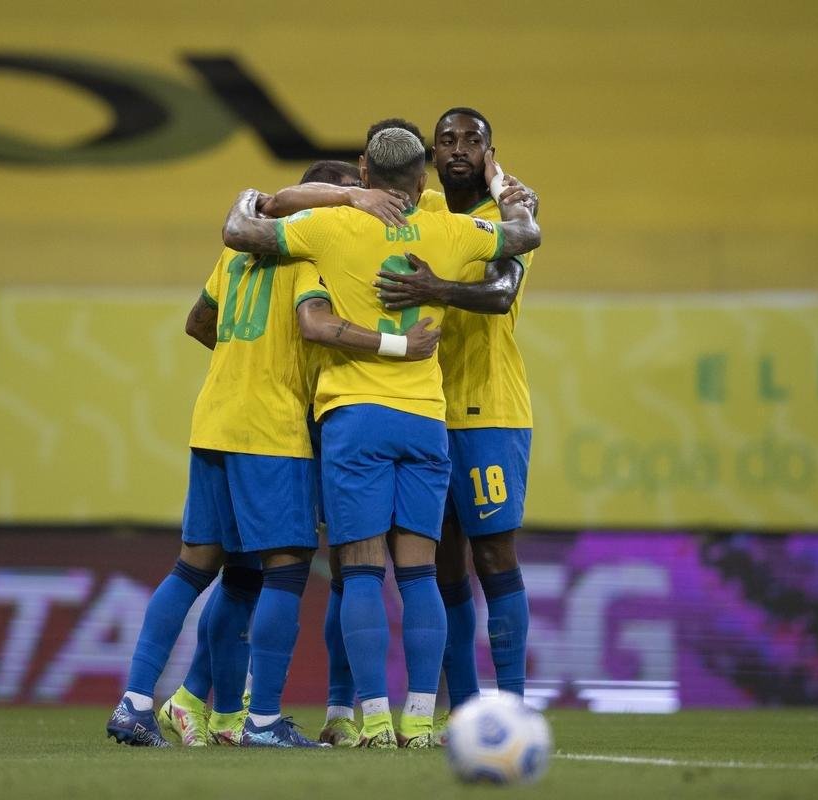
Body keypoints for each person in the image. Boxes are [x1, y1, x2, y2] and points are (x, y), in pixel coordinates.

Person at [222, 127, 540, 748]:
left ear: (365, 176)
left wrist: (253, 196)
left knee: (361, 574)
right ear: (422, 181)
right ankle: (421, 721)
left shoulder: (330, 228)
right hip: (425, 416)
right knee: (421, 575)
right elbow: (524, 235)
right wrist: (505, 186)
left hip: (354, 415)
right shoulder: (447, 231)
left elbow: (244, 230)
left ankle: (369, 719)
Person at [106, 161, 435, 748]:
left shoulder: (235, 255)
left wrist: (246, 356)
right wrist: (396, 345)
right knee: (282, 573)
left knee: (196, 569)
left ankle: (135, 702)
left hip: (214, 419)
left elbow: (199, 322)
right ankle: (261, 721)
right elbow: (314, 323)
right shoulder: (308, 258)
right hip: (271, 428)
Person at [376, 108, 539, 722]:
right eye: (446, 140)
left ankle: (515, 705)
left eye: (473, 139)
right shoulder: (421, 220)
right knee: (442, 568)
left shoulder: (514, 218)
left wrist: (434, 290)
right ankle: (467, 711)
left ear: (493, 154)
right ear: (429, 159)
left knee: (495, 558)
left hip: (490, 410)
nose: (459, 148)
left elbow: (500, 295)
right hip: (423, 414)